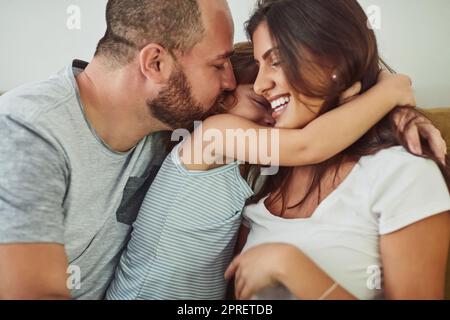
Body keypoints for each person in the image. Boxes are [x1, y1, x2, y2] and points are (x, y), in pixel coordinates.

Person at [106, 40, 435, 300]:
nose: (272, 122)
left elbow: (326, 119)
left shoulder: (252, 166)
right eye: (263, 104)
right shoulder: (213, 136)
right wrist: (392, 89)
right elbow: (309, 143)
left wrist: (397, 110)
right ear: (222, 100)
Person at [0, 0, 238, 300]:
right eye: (218, 65)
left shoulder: (169, 128)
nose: (230, 81)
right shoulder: (26, 132)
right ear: (155, 63)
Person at [225, 0, 450, 300]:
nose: (260, 85)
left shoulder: (401, 172)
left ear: (333, 59)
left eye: (276, 61)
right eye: (259, 65)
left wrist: (293, 268)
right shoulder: (262, 175)